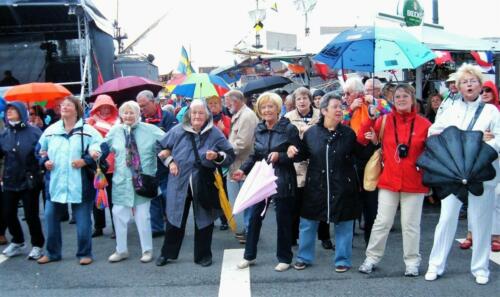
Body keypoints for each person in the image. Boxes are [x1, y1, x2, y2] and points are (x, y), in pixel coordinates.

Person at [425, 64, 500, 285]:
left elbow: (498, 138)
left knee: (481, 221)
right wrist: (467, 137)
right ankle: (435, 264)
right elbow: (433, 131)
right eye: (465, 82)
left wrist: (489, 143)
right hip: (454, 173)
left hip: (480, 172)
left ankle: (480, 268)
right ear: (458, 86)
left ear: (480, 85)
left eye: (473, 81)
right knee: (446, 218)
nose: (469, 84)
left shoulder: (491, 111)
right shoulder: (450, 109)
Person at [287, 91, 374, 272]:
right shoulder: (312, 133)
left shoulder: (348, 134)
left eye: (341, 107)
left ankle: (342, 260)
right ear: (324, 110)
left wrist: (373, 143)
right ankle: (304, 257)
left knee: (344, 223)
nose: (339, 110)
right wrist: (292, 151)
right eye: (335, 107)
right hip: (316, 186)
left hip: (343, 186)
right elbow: (302, 155)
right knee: (308, 223)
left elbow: (362, 155)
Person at [357, 84, 431, 276]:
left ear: (412, 99)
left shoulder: (425, 124)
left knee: (411, 225)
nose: (401, 99)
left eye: (405, 96)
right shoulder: (383, 120)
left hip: (414, 182)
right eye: (397, 96)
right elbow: (361, 139)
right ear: (392, 99)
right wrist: (370, 119)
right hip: (389, 180)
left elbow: (433, 152)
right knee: (382, 222)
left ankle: (412, 262)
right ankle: (371, 258)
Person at [156, 99, 235, 267]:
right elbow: (160, 147)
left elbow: (229, 155)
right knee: (175, 216)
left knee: (205, 218)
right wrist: (170, 161)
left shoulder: (214, 133)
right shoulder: (177, 131)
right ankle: (167, 253)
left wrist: (217, 156)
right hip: (179, 181)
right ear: (188, 114)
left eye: (200, 113)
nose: (197, 116)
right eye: (194, 112)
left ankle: (203, 255)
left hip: (204, 181)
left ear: (207, 115)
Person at [233, 92, 301, 272]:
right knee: (254, 217)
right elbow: (256, 154)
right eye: (263, 107)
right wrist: (242, 169)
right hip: (262, 177)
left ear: (278, 108)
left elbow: (298, 154)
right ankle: (249, 256)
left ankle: (285, 258)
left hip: (283, 177)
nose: (267, 110)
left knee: (283, 220)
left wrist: (282, 156)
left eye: (270, 106)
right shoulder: (260, 129)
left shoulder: (289, 129)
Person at [36, 96, 103, 265]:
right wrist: (45, 162)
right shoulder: (50, 130)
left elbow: (101, 148)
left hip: (80, 183)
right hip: (55, 182)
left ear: (77, 109)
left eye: (68, 104)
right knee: (50, 219)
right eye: (62, 105)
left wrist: (86, 160)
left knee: (83, 222)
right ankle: (52, 253)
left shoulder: (88, 130)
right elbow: (39, 151)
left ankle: (85, 253)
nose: (64, 107)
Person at [97, 101, 165, 263]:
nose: (128, 115)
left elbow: (168, 140)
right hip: (122, 181)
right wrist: (96, 152)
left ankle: (147, 250)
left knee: (143, 217)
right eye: (125, 112)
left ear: (138, 114)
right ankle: (121, 250)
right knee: (118, 214)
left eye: (131, 112)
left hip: (143, 181)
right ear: (121, 114)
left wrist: (166, 153)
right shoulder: (115, 131)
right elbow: (102, 147)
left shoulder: (150, 130)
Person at [343, 76, 391, 245]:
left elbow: (388, 112)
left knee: (370, 198)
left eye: (348, 93)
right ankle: (349, 235)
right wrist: (350, 109)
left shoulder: (372, 103)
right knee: (352, 198)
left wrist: (374, 101)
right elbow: (340, 124)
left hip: (371, 153)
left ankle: (370, 237)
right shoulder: (348, 106)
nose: (345, 96)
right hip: (351, 154)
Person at [285, 87, 333, 250]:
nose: (302, 101)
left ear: (310, 100)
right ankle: (293, 236)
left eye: (305, 98)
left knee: (321, 202)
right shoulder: (288, 117)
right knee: (296, 203)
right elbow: (286, 140)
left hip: (317, 164)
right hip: (297, 166)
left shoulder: (321, 114)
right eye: (298, 99)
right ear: (294, 101)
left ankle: (324, 236)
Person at [459, 80, 500, 253]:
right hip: (474, 162)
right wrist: (479, 137)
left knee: (495, 197)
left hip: (495, 160)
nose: (484, 94)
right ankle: (471, 233)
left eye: (488, 91)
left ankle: (495, 235)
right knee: (473, 195)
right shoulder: (470, 111)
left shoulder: (495, 112)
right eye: (482, 90)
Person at [0, 102, 45, 260]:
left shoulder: (34, 132)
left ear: (21, 112)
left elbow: (43, 153)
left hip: (29, 180)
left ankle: (37, 245)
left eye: (13, 110)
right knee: (7, 213)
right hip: (10, 180)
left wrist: (41, 169)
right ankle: (18, 240)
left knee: (31, 214)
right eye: (8, 110)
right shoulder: (5, 134)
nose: (9, 112)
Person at [136, 90, 178, 238]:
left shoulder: (168, 117)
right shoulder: (139, 120)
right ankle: (156, 227)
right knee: (152, 196)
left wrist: (167, 151)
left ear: (154, 102)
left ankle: (174, 226)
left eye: (144, 105)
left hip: (165, 165)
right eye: (139, 106)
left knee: (168, 196)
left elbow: (175, 138)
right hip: (147, 165)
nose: (141, 109)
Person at [225, 90, 259, 243]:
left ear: (236, 101)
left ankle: (250, 231)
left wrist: (224, 151)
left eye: (227, 102)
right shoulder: (241, 115)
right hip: (239, 164)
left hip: (245, 165)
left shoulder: (247, 116)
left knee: (248, 201)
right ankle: (248, 230)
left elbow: (243, 144)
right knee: (245, 201)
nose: (226, 105)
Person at [86, 95, 120, 238]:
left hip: (114, 163)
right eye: (102, 106)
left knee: (114, 198)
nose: (105, 109)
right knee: (97, 197)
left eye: (108, 106)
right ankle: (98, 226)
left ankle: (116, 227)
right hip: (97, 164)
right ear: (97, 108)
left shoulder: (117, 121)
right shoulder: (90, 122)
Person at [206, 95, 232, 230]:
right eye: (210, 103)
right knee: (208, 191)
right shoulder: (205, 121)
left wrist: (223, 130)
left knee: (222, 190)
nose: (213, 106)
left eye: (216, 103)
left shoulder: (226, 119)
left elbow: (231, 140)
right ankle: (209, 218)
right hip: (206, 160)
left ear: (221, 104)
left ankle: (224, 218)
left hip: (221, 159)